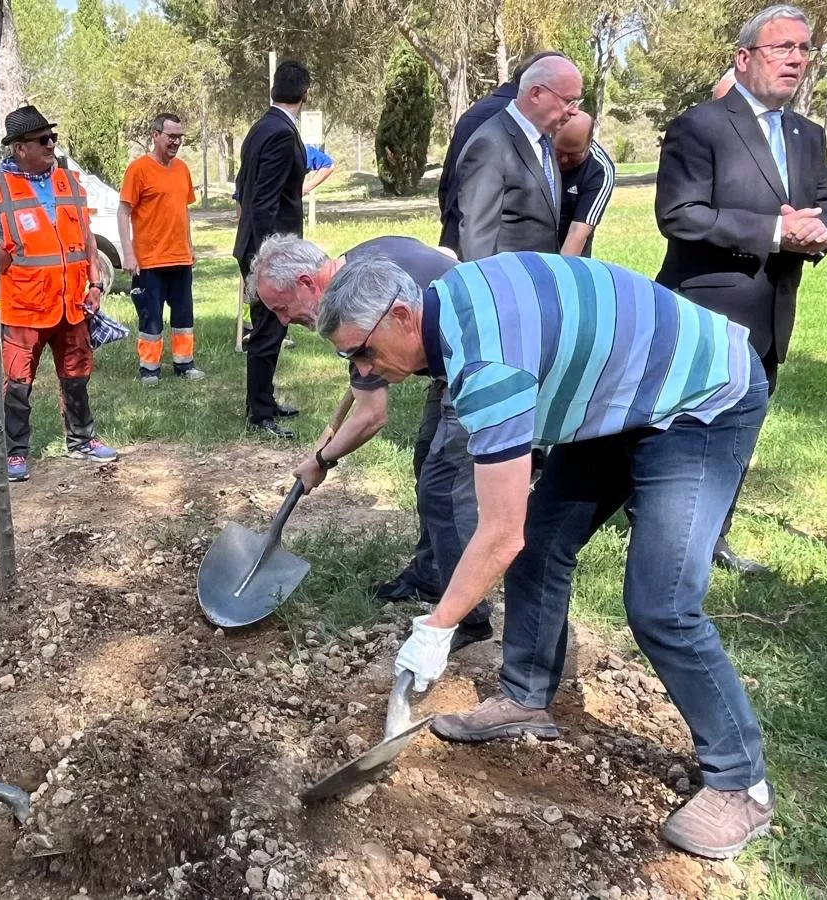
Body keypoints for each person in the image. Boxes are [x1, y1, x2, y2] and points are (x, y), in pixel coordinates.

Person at [317, 252, 776, 861]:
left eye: (363, 352)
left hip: (700, 397)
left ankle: (742, 784)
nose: (363, 368)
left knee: (661, 604)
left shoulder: (486, 364)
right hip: (619, 400)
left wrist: (437, 626)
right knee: (542, 546)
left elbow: (499, 533)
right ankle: (525, 698)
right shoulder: (446, 306)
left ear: (402, 316)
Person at [655, 3, 827, 575]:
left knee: (742, 433)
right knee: (689, 433)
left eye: (804, 49)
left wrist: (823, 228)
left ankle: (715, 537)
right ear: (744, 58)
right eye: (781, 48)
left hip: (772, 314)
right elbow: (680, 214)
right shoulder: (701, 125)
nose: (796, 59)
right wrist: (773, 231)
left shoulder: (807, 133)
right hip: (706, 312)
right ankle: (665, 535)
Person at [248, 233, 492, 652]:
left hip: (484, 355)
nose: (284, 320)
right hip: (448, 358)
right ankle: (433, 572)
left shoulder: (361, 307)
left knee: (443, 484)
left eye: (281, 307)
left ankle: (467, 615)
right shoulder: (364, 260)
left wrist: (320, 460)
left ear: (306, 282)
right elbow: (446, 255)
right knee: (427, 463)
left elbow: (371, 415)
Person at [0, 105, 118, 482]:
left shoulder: (69, 181)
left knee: (77, 375)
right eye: (43, 140)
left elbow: (85, 236)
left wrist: (96, 283)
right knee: (18, 384)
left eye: (52, 137)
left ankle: (82, 440)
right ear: (19, 148)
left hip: (71, 305)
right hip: (24, 308)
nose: (51, 144)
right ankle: (16, 453)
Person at [233, 59, 311, 440]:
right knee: (267, 329)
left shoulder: (261, 127)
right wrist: (269, 257)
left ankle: (262, 399)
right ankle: (260, 413)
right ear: (305, 92)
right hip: (266, 249)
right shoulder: (280, 132)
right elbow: (264, 201)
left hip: (255, 243)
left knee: (271, 327)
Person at [451, 56, 585, 262]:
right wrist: (488, 292)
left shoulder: (543, 138)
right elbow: (476, 239)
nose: (575, 111)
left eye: (577, 101)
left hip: (537, 280)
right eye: (569, 101)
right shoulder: (490, 145)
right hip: (507, 287)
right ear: (536, 94)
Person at [120, 112, 202, 385]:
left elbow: (183, 211)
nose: (176, 142)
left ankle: (184, 363)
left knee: (183, 316)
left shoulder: (182, 170)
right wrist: (128, 253)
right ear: (155, 136)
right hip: (149, 260)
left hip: (179, 257)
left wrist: (190, 246)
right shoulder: (138, 170)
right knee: (151, 317)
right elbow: (123, 213)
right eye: (171, 136)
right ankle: (149, 369)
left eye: (180, 137)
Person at [553, 110, 616, 257]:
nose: (564, 160)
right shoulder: (539, 148)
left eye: (574, 155)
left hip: (569, 252)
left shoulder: (600, 171)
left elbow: (577, 233)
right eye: (559, 152)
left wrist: (561, 274)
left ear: (589, 142)